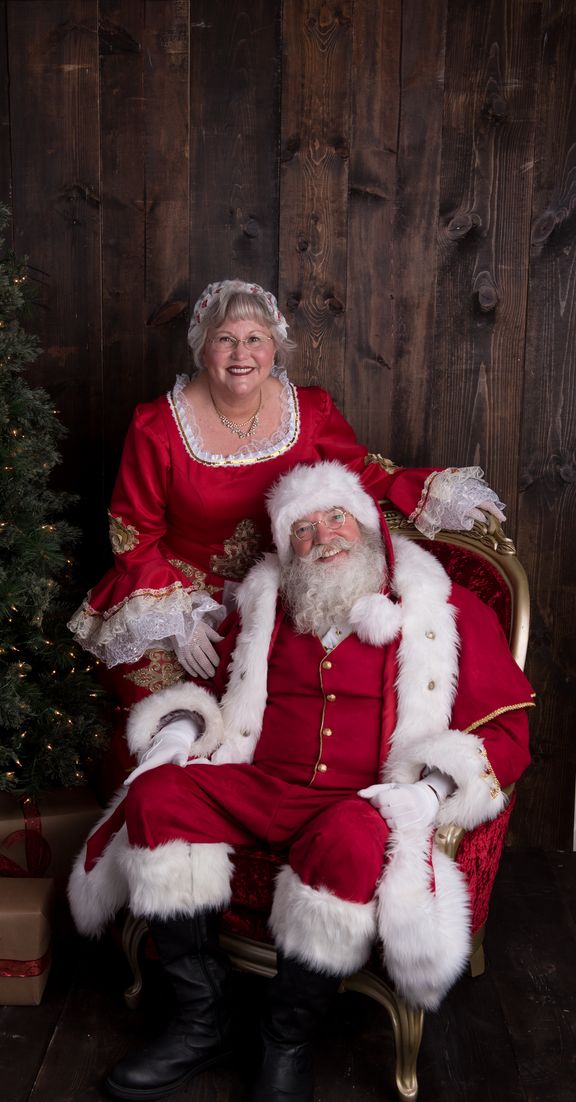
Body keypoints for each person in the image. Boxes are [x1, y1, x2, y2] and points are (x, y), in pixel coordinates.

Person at [68, 460, 533, 1102]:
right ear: (288, 548)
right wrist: (174, 740)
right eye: (304, 530)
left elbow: (505, 733)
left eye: (335, 517)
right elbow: (209, 692)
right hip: (259, 784)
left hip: (359, 800)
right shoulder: (266, 605)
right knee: (156, 796)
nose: (324, 537)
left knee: (350, 840)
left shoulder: (443, 610)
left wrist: (427, 793)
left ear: (366, 525)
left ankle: (284, 1040)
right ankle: (203, 1022)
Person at [67, 280, 506, 792]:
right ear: (201, 344)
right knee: (169, 718)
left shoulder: (310, 409)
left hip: (287, 588)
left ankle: (265, 816)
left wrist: (433, 492)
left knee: (302, 706)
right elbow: (134, 533)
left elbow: (358, 473)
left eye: (256, 338)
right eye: (225, 339)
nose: (241, 354)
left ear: (276, 345)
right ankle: (151, 828)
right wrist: (178, 616)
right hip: (183, 599)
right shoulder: (157, 425)